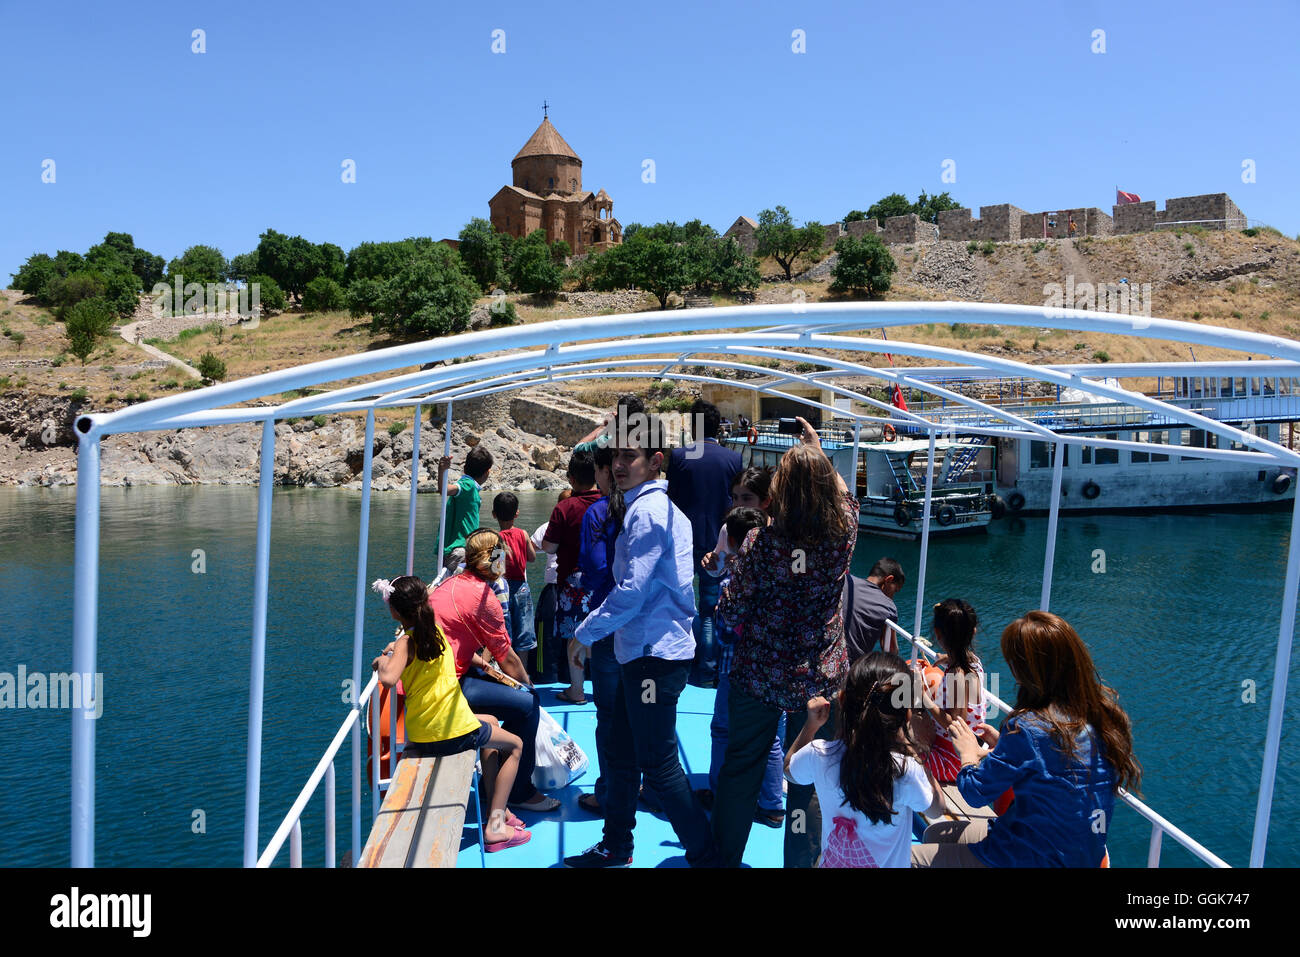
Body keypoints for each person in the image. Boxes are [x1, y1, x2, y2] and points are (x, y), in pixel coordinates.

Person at [563, 413, 717, 867]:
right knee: (623, 751)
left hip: (653, 655)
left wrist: (584, 633)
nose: (620, 464)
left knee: (660, 764)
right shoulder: (657, 508)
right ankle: (617, 844)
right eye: (616, 456)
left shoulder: (646, 513)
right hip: (646, 652)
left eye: (630, 456)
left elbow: (633, 590)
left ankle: (706, 854)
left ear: (655, 461)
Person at [712, 415, 859, 868]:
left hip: (759, 675)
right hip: (820, 676)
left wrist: (725, 608)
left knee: (742, 769)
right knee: (809, 777)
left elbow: (731, 613)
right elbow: (845, 495)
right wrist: (817, 452)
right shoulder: (844, 534)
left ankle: (725, 860)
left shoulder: (761, 542)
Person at [911, 610, 1142, 867]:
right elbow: (1055, 769)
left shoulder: (1027, 727)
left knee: (903, 859)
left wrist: (967, 754)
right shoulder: (1101, 719)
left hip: (1027, 857)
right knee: (933, 834)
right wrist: (1000, 747)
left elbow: (975, 794)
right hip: (1079, 854)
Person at [369, 575, 530, 851]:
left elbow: (388, 676)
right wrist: (390, 660)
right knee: (516, 745)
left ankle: (497, 811)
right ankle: (495, 827)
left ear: (394, 612)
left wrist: (383, 659)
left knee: (490, 723)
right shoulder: (435, 632)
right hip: (449, 734)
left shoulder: (406, 642)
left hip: (428, 731)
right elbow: (391, 675)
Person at [432, 528, 560, 814]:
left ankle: (502, 777)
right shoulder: (483, 597)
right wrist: (528, 686)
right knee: (528, 704)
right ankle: (519, 790)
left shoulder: (452, 583)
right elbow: (509, 660)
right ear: (497, 558)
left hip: (439, 679)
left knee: (512, 696)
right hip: (448, 688)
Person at [786, 652, 946, 867]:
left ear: (841, 700)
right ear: (906, 715)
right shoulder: (905, 770)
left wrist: (811, 725)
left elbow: (789, 770)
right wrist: (912, 749)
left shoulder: (819, 754)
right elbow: (937, 809)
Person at [702, 506, 783, 827]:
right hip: (773, 671)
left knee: (722, 730)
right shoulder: (780, 577)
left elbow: (723, 634)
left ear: (733, 541)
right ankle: (773, 805)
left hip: (735, 671)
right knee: (772, 738)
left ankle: (718, 791)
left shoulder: (731, 586)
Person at [666, 399, 743, 688]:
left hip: (682, 545)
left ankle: (679, 665)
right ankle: (708, 672)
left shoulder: (679, 456)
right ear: (718, 427)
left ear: (691, 426)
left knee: (679, 608)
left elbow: (670, 500)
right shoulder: (732, 459)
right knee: (710, 612)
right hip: (719, 543)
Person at [576, 445, 622, 815]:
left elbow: (592, 569)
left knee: (608, 714)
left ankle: (609, 793)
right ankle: (648, 786)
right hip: (648, 629)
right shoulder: (653, 510)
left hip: (607, 621)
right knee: (645, 712)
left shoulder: (597, 513)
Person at [540, 450, 602, 703]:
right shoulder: (609, 502)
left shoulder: (565, 507)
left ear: (571, 478)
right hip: (604, 581)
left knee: (575, 637)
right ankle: (604, 688)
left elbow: (549, 547)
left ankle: (576, 691)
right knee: (600, 635)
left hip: (573, 581)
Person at [917, 599, 985, 783]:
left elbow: (956, 723)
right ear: (972, 632)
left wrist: (923, 697)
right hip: (967, 749)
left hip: (953, 758)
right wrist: (946, 658)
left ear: (937, 634)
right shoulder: (972, 660)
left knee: (897, 756)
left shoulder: (957, 674)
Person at [530, 488, 570, 683]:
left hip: (554, 586)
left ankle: (546, 674)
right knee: (573, 632)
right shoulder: (584, 521)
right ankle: (571, 674)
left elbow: (530, 548)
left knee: (546, 632)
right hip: (577, 586)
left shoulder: (549, 526)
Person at [492, 492, 537, 658]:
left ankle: (508, 672)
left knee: (505, 626)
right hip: (521, 588)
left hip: (502, 589)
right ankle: (524, 670)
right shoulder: (523, 534)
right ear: (516, 513)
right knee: (524, 627)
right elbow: (531, 557)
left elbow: (496, 568)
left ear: (494, 514)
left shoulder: (496, 538)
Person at [437, 446, 493, 572]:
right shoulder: (468, 485)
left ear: (464, 468)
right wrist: (441, 470)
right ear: (487, 472)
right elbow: (445, 490)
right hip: (460, 551)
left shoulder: (470, 487)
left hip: (456, 551)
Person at [842, 558, 906, 661]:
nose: (892, 597)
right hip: (853, 667)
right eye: (895, 591)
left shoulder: (846, 581)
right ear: (889, 580)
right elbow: (891, 650)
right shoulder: (888, 607)